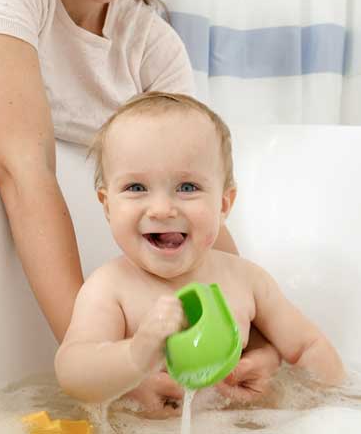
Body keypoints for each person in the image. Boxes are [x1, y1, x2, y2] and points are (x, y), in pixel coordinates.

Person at [0, 0, 283, 414]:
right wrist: (109, 367)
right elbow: (23, 175)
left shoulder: (152, 42)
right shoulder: (9, 2)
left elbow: (194, 196)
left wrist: (252, 343)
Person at [54, 92, 345, 416]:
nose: (162, 209)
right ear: (108, 206)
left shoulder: (247, 280)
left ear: (223, 205)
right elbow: (72, 370)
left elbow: (309, 346)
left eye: (187, 187)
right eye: (136, 187)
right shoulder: (109, 288)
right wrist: (134, 356)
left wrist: (332, 408)